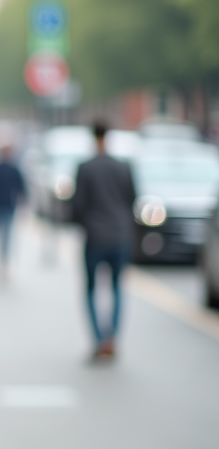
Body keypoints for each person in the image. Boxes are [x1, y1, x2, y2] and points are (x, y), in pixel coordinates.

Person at [70, 121, 136, 359]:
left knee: (90, 289)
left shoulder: (85, 168)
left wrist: (84, 223)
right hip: (120, 235)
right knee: (117, 287)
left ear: (92, 136)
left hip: (95, 237)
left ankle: (99, 339)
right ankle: (112, 337)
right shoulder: (123, 166)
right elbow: (132, 199)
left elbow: (77, 206)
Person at [0, 143, 27, 279]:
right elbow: (22, 189)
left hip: (2, 204)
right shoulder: (12, 169)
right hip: (6, 205)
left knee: (1, 234)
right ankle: (3, 262)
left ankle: (2, 262)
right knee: (5, 235)